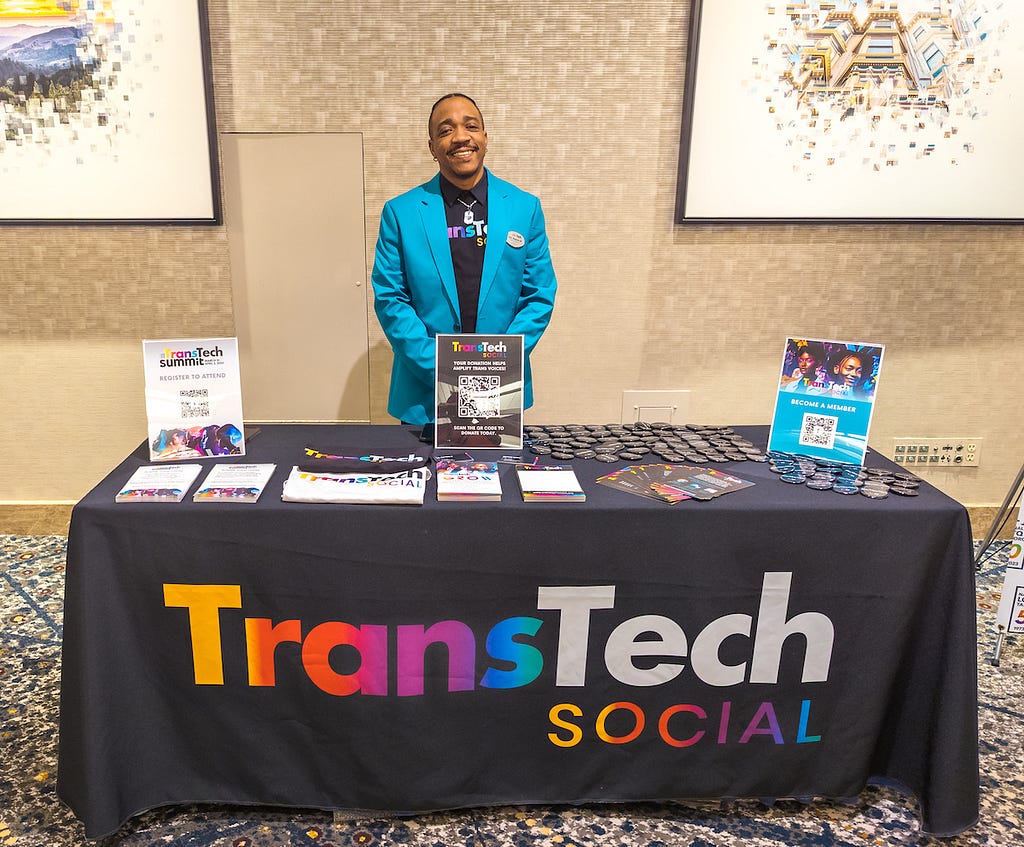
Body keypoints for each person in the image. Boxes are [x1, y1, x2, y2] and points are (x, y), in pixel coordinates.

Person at [371, 93, 557, 430]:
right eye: (445, 130)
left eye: (471, 126)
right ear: (432, 147)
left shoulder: (523, 207)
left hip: (500, 388)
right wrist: (444, 371)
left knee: (494, 478)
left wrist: (497, 367)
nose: (460, 137)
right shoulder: (400, 212)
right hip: (422, 396)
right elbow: (390, 299)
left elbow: (539, 296)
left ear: (485, 138)